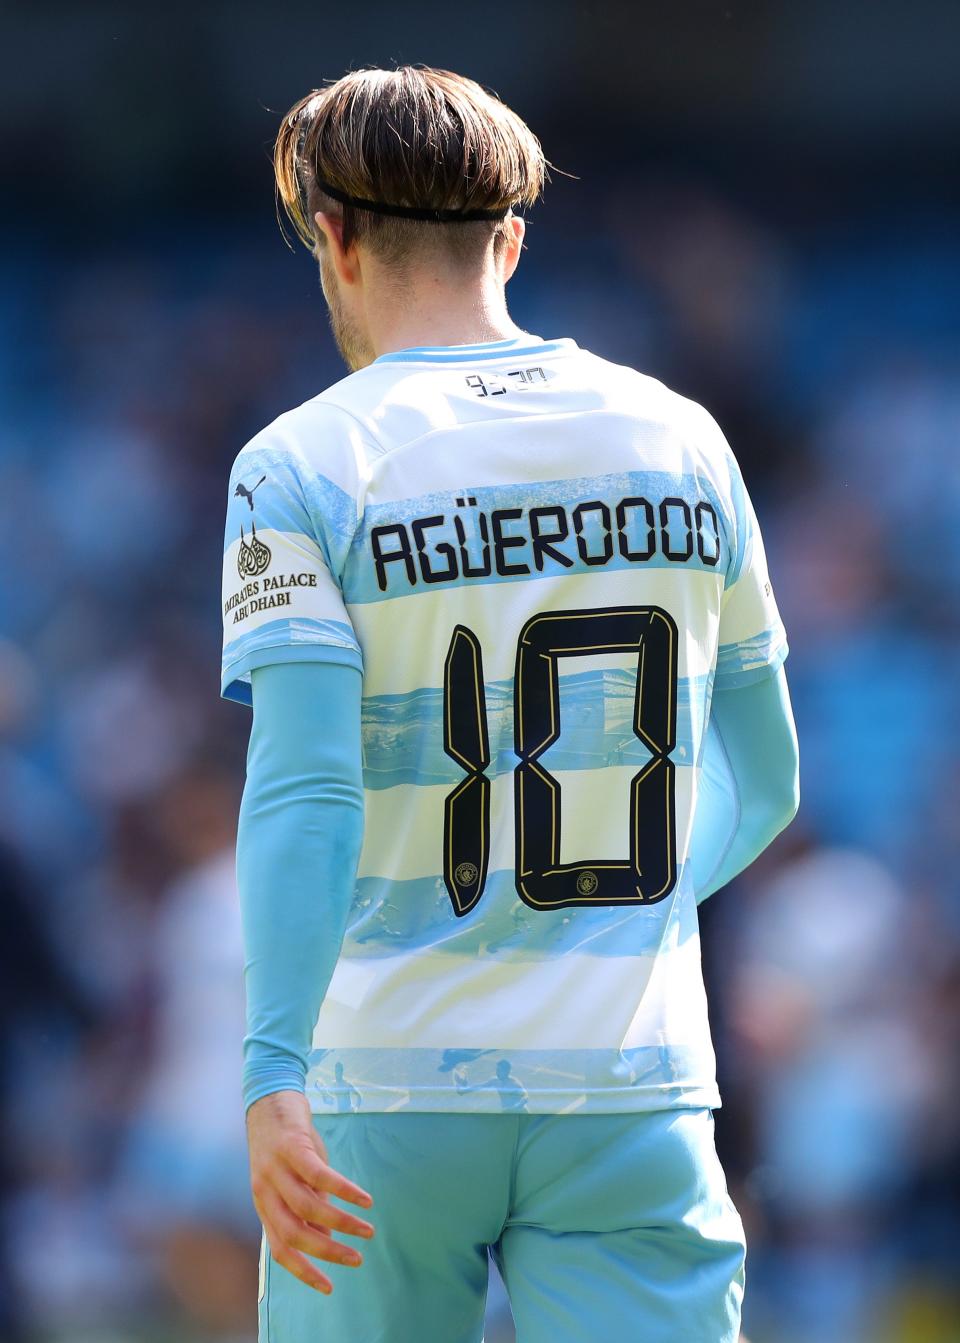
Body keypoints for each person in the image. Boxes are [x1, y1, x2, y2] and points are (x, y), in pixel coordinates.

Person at [220, 65, 800, 1343]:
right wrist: (596, 924)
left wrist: (270, 1072)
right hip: (630, 1080)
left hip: (387, 1081)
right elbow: (767, 780)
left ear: (333, 234)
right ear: (511, 239)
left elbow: (308, 788)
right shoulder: (684, 438)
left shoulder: (303, 460)